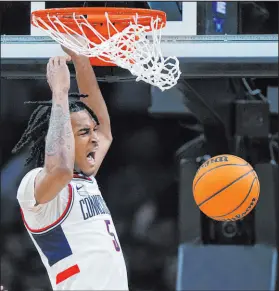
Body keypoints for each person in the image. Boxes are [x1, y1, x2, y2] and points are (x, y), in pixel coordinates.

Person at [13, 50, 128, 290]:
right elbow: (60, 169)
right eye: (85, 133)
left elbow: (105, 132)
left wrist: (81, 59)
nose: (95, 139)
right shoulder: (33, 187)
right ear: (61, 136)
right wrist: (60, 92)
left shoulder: (85, 176)